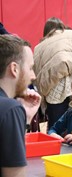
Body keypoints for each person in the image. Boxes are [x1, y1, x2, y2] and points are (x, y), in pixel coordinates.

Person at [0, 35, 41, 177]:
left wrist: (26, 120)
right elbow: (15, 174)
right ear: (14, 69)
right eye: (30, 68)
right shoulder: (10, 109)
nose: (33, 75)